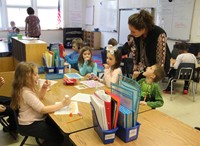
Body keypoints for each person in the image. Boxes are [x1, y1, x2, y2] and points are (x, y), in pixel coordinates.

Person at [10, 62, 71, 146]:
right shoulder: (25, 92)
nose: (38, 76)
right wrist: (62, 104)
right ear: (26, 78)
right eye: (35, 75)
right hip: (29, 125)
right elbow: (42, 109)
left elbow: (37, 99)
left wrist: (44, 87)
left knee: (56, 125)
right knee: (59, 137)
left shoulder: (25, 88)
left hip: (32, 120)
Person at [128, 9, 171, 80]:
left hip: (154, 69)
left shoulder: (158, 34)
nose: (131, 33)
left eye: (133, 31)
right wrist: (135, 64)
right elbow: (136, 51)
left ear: (143, 29)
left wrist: (155, 74)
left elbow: (160, 60)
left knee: (150, 87)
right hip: (143, 67)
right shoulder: (137, 36)